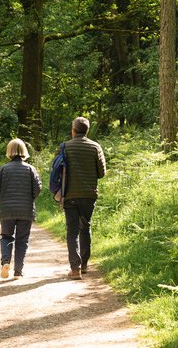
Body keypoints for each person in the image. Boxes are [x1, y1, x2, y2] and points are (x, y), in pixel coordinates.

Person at [60, 117, 106, 280]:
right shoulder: (95, 147)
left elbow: (58, 171)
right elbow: (101, 173)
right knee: (85, 227)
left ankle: (75, 269)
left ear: (73, 130)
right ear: (87, 130)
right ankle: (85, 264)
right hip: (89, 194)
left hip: (70, 195)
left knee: (72, 231)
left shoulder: (65, 147)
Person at [0, 138, 42, 280]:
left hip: (7, 210)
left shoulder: (3, 169)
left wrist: (3, 201)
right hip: (26, 211)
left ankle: (5, 262)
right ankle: (18, 272)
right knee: (22, 240)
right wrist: (30, 199)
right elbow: (37, 188)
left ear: (9, 151)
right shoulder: (30, 169)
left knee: (6, 236)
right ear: (24, 152)